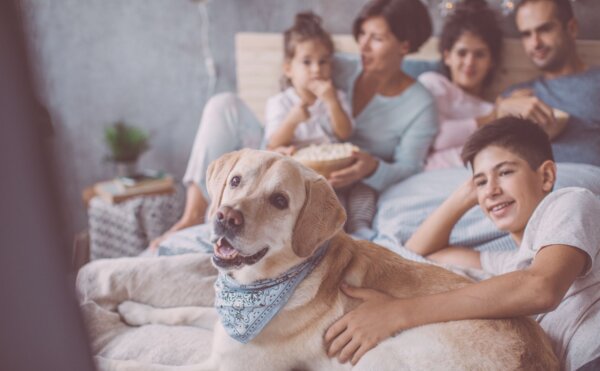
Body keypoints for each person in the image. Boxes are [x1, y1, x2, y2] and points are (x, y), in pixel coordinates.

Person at [150, 0, 438, 249]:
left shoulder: (420, 105)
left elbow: (409, 168)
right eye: (361, 33)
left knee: (352, 201)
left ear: (405, 45)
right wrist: (284, 132)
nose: (362, 45)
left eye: (376, 38)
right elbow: (294, 72)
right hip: (281, 148)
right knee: (222, 103)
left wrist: (372, 167)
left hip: (337, 177)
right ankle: (193, 215)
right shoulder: (337, 64)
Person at [325, 117, 600, 371]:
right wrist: (466, 195)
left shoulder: (572, 201)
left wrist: (398, 312)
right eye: (481, 182)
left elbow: (541, 288)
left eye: (505, 172)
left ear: (547, 176)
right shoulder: (511, 264)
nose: (491, 190)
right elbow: (423, 252)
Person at [264, 11, 376, 235]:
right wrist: (294, 118)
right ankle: (330, 229)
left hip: (335, 173)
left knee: (364, 191)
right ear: (289, 68)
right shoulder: (281, 102)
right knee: (322, 204)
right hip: (301, 174)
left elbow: (344, 133)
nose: (317, 69)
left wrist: (332, 101)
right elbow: (273, 141)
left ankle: (360, 227)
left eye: (323, 61)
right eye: (307, 62)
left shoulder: (336, 96)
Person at [494, 0, 600, 166]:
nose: (535, 43)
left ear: (571, 28)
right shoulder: (515, 95)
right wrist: (499, 112)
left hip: (585, 183)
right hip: (526, 186)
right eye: (526, 34)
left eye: (544, 29)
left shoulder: (596, 82)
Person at [419, 0, 502, 170]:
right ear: (447, 56)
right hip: (427, 180)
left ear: (491, 61)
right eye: (462, 53)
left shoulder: (490, 108)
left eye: (479, 54)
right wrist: (492, 118)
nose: (469, 62)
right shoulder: (433, 84)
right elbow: (434, 138)